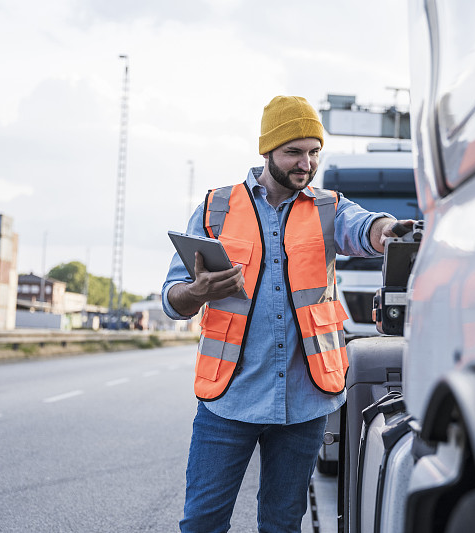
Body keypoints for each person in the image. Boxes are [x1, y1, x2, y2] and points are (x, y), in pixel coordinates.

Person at [162, 95, 413, 533]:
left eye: (314, 152)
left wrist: (387, 229)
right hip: (229, 400)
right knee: (202, 522)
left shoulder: (328, 208)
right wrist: (197, 292)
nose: (306, 163)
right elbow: (172, 297)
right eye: (294, 152)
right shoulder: (216, 208)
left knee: (281, 526)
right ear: (267, 152)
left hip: (304, 403)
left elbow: (365, 228)